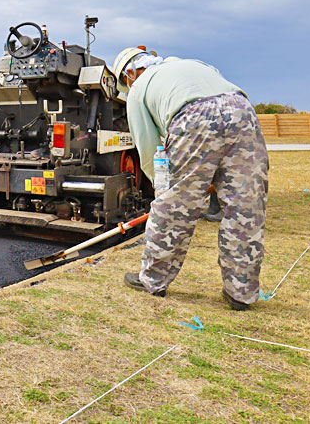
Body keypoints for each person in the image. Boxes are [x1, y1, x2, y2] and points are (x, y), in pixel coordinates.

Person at [111, 47, 268, 311]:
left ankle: (153, 279)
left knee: (176, 205)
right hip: (242, 110)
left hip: (193, 116)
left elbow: (148, 147)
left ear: (130, 74)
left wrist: (162, 186)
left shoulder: (138, 88)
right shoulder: (192, 64)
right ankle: (241, 292)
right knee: (245, 206)